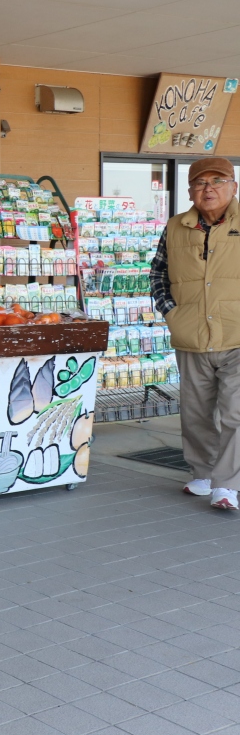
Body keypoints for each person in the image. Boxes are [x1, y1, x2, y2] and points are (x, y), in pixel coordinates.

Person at [150, 156, 240, 509]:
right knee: (196, 412)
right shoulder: (176, 227)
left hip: (237, 334)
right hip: (192, 334)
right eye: (200, 183)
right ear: (190, 191)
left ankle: (228, 484)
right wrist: (173, 314)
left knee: (235, 412)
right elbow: (158, 274)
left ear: (233, 186)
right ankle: (203, 472)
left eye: (217, 181)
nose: (209, 189)